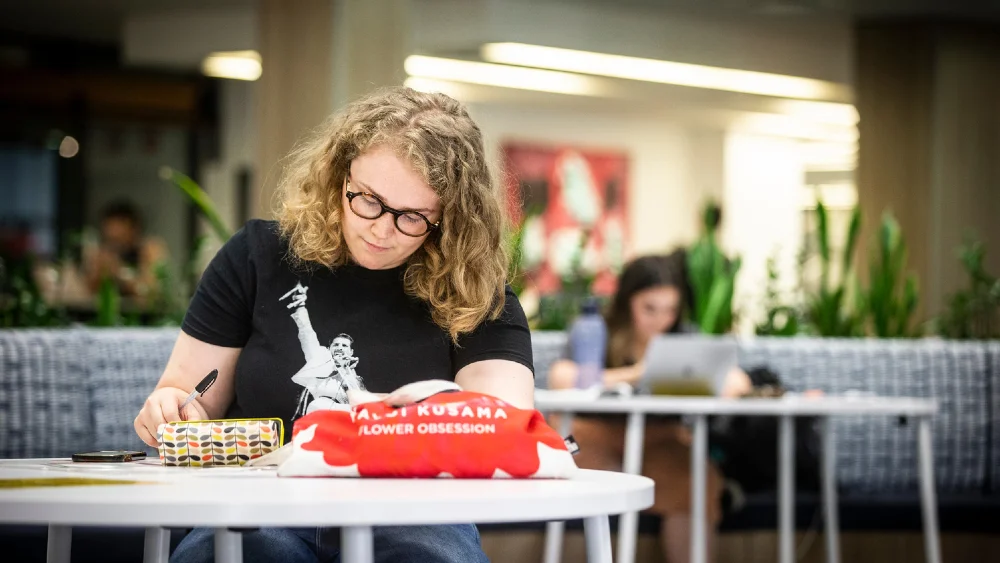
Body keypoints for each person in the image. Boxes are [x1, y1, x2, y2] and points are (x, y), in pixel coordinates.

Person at [133, 87, 535, 563]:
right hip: (264, 502)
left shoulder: (472, 291)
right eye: (367, 200)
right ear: (338, 177)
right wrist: (172, 410)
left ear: (451, 219)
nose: (381, 230)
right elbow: (187, 395)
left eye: (413, 217)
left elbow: (502, 428)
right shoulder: (258, 257)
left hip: (414, 513)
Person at [548, 253, 751, 563]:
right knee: (578, 466)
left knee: (697, 483)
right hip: (594, 440)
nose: (660, 321)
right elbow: (561, 377)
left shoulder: (682, 337)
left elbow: (738, 383)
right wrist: (640, 371)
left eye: (669, 310)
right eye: (650, 309)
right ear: (628, 302)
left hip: (659, 441)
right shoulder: (596, 329)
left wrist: (703, 379)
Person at [85, 200, 167, 299]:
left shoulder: (150, 249)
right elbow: (88, 294)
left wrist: (118, 272)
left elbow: (150, 291)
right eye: (110, 239)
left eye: (118, 237)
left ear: (133, 229)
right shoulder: (102, 253)